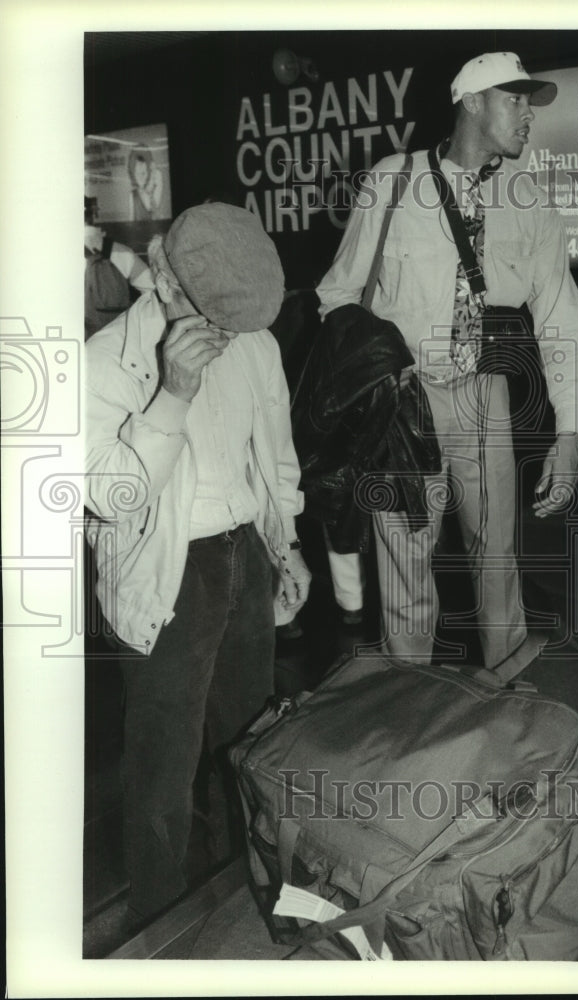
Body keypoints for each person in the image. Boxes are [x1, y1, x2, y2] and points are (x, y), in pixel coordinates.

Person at [317, 52, 578, 670]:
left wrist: (570, 433)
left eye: (531, 104)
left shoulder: (529, 203)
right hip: (403, 399)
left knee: (497, 553)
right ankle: (408, 696)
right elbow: (336, 292)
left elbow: (561, 317)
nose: (528, 116)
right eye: (515, 100)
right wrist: (374, 377)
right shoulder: (392, 182)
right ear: (472, 101)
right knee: (404, 558)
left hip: (482, 394)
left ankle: (508, 692)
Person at [84, 202, 311, 927]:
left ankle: (241, 887)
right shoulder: (103, 362)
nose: (223, 336)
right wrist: (172, 396)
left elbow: (273, 452)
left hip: (244, 556)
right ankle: (159, 925)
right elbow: (110, 497)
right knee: (163, 769)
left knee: (246, 743)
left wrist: (288, 542)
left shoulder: (253, 343)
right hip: (167, 572)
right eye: (210, 315)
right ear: (164, 281)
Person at [84, 196, 155, 338]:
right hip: (112, 343)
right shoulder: (120, 252)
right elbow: (154, 292)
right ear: (93, 214)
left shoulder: (50, 255)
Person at [127, 146, 163, 221]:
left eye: (143, 173)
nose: (141, 178)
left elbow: (158, 174)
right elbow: (131, 222)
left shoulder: (155, 190)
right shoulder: (133, 196)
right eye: (137, 173)